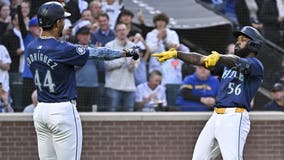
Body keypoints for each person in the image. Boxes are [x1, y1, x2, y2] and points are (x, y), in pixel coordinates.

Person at [29, 2, 138, 160]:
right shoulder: (62, 48)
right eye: (62, 20)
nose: (64, 23)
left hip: (41, 110)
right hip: (62, 109)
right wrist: (126, 52)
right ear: (58, 22)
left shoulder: (31, 47)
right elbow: (98, 53)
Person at [152, 26, 264, 159]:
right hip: (216, 116)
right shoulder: (225, 65)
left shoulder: (256, 65)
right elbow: (200, 60)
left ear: (253, 45)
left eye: (243, 39)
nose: (237, 42)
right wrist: (177, 54)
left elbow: (238, 62)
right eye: (237, 39)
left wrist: (220, 57)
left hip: (235, 116)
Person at [104, 23, 139, 112]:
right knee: (111, 116)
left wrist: (132, 65)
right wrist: (122, 59)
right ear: (115, 33)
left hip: (130, 87)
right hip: (113, 87)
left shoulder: (133, 47)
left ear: (127, 31)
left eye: (123, 30)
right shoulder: (109, 46)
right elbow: (107, 65)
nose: (122, 32)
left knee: (129, 118)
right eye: (119, 30)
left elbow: (135, 67)